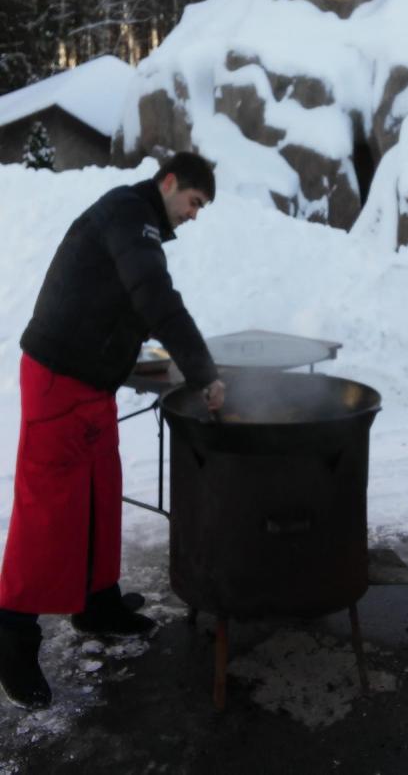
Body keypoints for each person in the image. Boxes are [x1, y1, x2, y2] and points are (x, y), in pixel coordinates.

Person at [0, 151, 225, 710]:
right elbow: (155, 298)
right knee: (47, 509)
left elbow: (127, 300)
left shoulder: (136, 220)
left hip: (93, 384)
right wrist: (203, 374)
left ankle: (96, 603)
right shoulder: (129, 214)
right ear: (169, 183)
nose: (195, 214)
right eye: (194, 202)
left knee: (102, 494)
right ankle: (10, 635)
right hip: (57, 379)